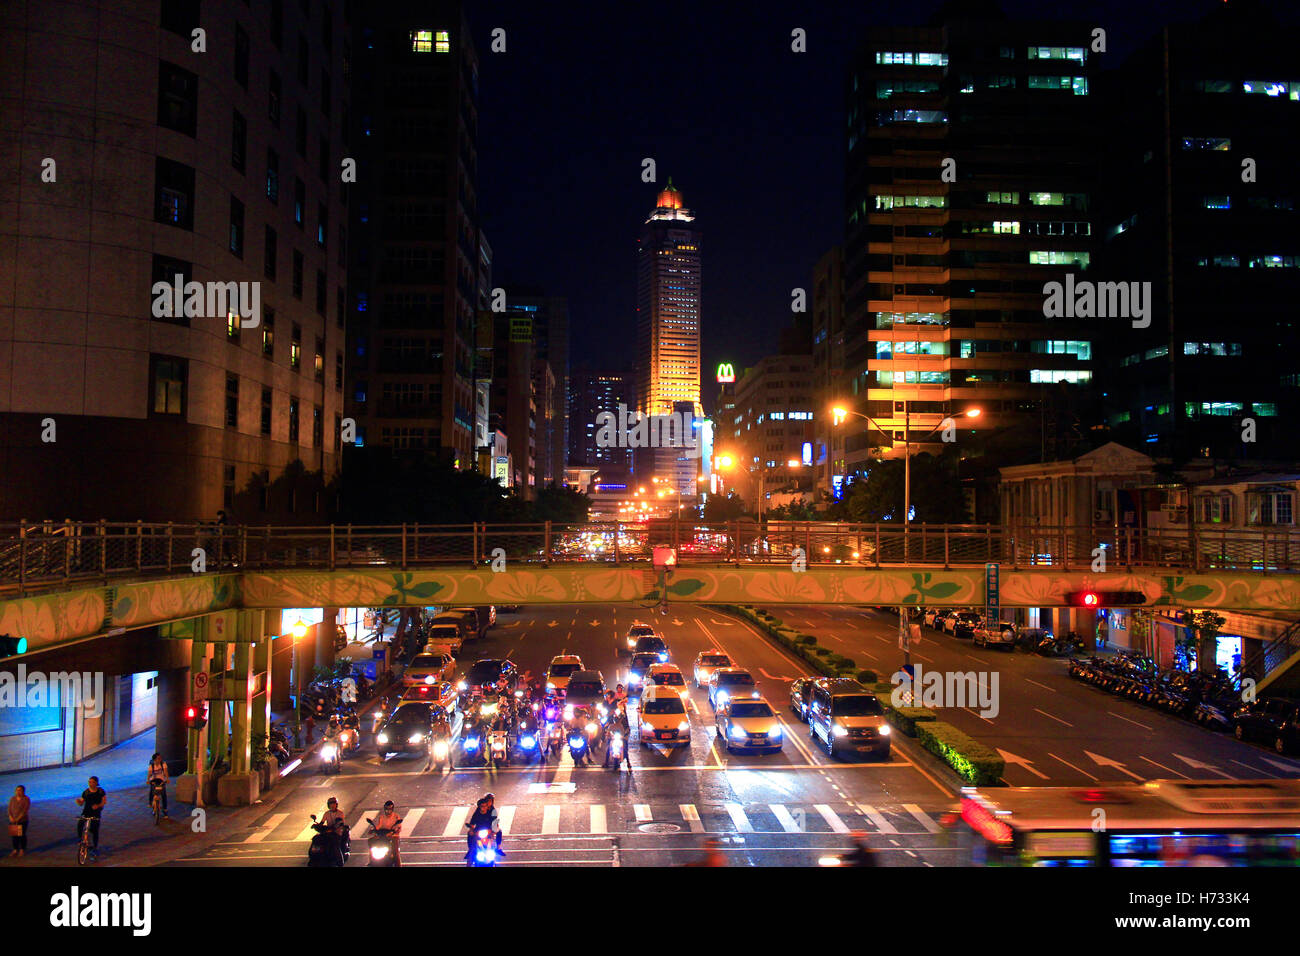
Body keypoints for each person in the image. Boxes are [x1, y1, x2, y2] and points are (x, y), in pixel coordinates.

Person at [75, 776, 107, 857]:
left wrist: (98, 805)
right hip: (86, 812)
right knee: (80, 823)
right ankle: (80, 839)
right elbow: (81, 802)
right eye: (89, 782)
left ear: (96, 783)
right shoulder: (86, 792)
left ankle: (95, 847)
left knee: (94, 830)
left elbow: (104, 802)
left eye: (92, 782)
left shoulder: (100, 791)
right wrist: (78, 802)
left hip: (96, 813)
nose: (90, 784)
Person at [466, 793, 503, 860]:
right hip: (479, 829)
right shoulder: (478, 810)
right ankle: (470, 850)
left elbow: (495, 821)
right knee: (470, 834)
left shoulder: (493, 810)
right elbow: (473, 820)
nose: (488, 803)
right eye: (487, 801)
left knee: (499, 831)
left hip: (489, 829)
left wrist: (494, 830)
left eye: (490, 801)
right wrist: (471, 828)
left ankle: (498, 847)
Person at [371, 800, 402, 865]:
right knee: (371, 841)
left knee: (395, 852)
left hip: (393, 836)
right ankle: (371, 861)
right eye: (386, 809)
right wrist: (374, 829)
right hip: (383, 835)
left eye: (390, 809)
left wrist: (394, 833)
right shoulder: (382, 817)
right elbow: (379, 825)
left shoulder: (396, 816)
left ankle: (398, 865)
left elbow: (398, 827)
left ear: (392, 809)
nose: (388, 811)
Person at [8, 785, 30, 857]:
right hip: (13, 820)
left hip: (22, 820)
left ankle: (22, 850)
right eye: (17, 790)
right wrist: (10, 817)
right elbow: (9, 809)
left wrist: (18, 819)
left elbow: (25, 810)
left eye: (20, 790)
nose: (18, 792)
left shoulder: (26, 799)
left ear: (23, 791)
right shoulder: (12, 799)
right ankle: (15, 850)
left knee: (22, 835)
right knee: (14, 836)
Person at [146, 753, 169, 818]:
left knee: (163, 794)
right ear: (154, 760)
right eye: (158, 758)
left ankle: (165, 810)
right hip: (154, 780)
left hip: (161, 780)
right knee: (152, 791)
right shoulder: (151, 766)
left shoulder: (163, 764)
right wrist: (148, 780)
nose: (160, 759)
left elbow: (166, 772)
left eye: (160, 758)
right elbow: (149, 774)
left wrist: (167, 779)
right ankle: (150, 803)